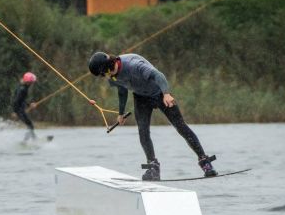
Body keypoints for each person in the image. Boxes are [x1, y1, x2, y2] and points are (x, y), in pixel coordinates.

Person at [88, 52, 217, 181]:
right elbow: (122, 90)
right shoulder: (112, 76)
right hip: (141, 97)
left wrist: (166, 94)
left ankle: (205, 161)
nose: (104, 77)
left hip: (159, 93)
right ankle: (153, 167)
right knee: (143, 131)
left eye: (103, 74)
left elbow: (158, 75)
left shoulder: (134, 65)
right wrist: (121, 113)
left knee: (180, 126)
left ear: (107, 68)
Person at [12, 71, 37, 142]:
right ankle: (28, 141)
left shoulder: (23, 86)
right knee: (30, 125)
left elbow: (22, 100)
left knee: (30, 125)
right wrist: (15, 112)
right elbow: (16, 101)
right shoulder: (22, 89)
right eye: (31, 82)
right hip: (19, 110)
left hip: (21, 108)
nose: (32, 83)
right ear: (28, 82)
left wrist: (30, 104)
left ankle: (32, 139)